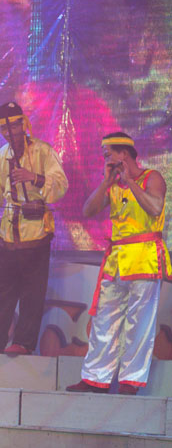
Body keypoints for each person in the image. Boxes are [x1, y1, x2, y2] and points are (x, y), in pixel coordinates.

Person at [0, 102, 68, 355]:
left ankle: (24, 343)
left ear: (23, 125)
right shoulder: (1, 156)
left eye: (14, 126)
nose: (10, 133)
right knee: (1, 290)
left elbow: (61, 184)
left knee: (32, 292)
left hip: (36, 235)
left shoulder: (43, 151)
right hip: (8, 234)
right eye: (4, 129)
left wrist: (35, 178)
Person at [67, 132, 169, 394]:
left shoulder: (151, 177)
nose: (105, 157)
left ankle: (130, 381)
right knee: (104, 320)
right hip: (117, 262)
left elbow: (155, 208)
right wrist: (106, 181)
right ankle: (95, 379)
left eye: (108, 152)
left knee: (139, 323)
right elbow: (88, 210)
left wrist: (129, 182)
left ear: (124, 154)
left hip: (144, 259)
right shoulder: (111, 185)